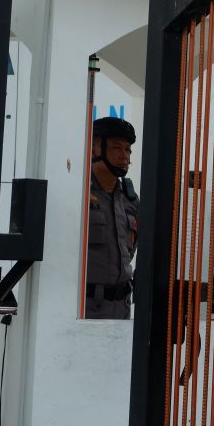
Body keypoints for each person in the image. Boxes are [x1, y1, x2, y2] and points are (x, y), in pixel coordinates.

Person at [85, 117, 139, 319]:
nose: (124, 156)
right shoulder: (79, 194)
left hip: (122, 307)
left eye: (128, 150)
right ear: (93, 150)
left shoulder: (130, 199)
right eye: (117, 148)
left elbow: (131, 249)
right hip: (86, 308)